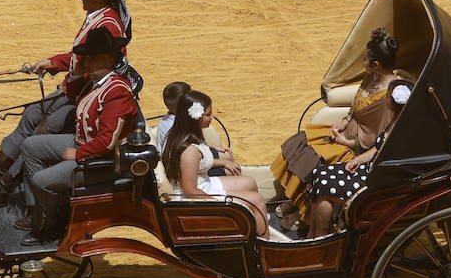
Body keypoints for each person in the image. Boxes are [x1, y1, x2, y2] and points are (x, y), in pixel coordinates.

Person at [0, 0, 139, 207]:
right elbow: (77, 56)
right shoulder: (97, 17)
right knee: (32, 114)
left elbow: (94, 62)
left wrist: (70, 83)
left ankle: (5, 185)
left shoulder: (108, 25)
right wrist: (52, 63)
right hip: (74, 88)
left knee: (44, 130)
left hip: (84, 92)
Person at [271, 28, 412, 233]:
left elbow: (376, 139)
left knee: (317, 160)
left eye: (364, 59)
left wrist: (346, 143)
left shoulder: (387, 97)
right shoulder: (371, 77)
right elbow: (354, 109)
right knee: (302, 143)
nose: (362, 62)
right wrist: (344, 123)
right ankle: (297, 203)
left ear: (376, 64)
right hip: (348, 135)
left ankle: (306, 217)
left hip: (359, 146)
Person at [16, 26, 138, 244]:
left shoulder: (117, 91)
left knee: (40, 179)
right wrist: (77, 72)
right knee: (30, 146)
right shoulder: (94, 81)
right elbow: (72, 93)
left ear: (108, 60)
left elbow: (108, 140)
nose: (86, 60)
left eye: (91, 57)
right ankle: (42, 209)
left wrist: (79, 153)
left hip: (102, 159)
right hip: (84, 145)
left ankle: (50, 225)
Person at [155, 87, 274, 238]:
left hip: (203, 184)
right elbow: (191, 191)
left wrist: (220, 160)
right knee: (257, 200)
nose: (212, 117)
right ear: (195, 118)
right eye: (208, 114)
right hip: (197, 194)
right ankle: (266, 244)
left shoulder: (185, 135)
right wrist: (224, 205)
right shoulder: (189, 152)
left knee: (249, 182)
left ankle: (254, 225)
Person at [155, 80, 235, 176]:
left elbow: (189, 141)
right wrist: (222, 162)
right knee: (230, 164)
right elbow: (191, 159)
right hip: (186, 169)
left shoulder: (170, 121)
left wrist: (212, 146)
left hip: (192, 159)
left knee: (227, 156)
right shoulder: (175, 127)